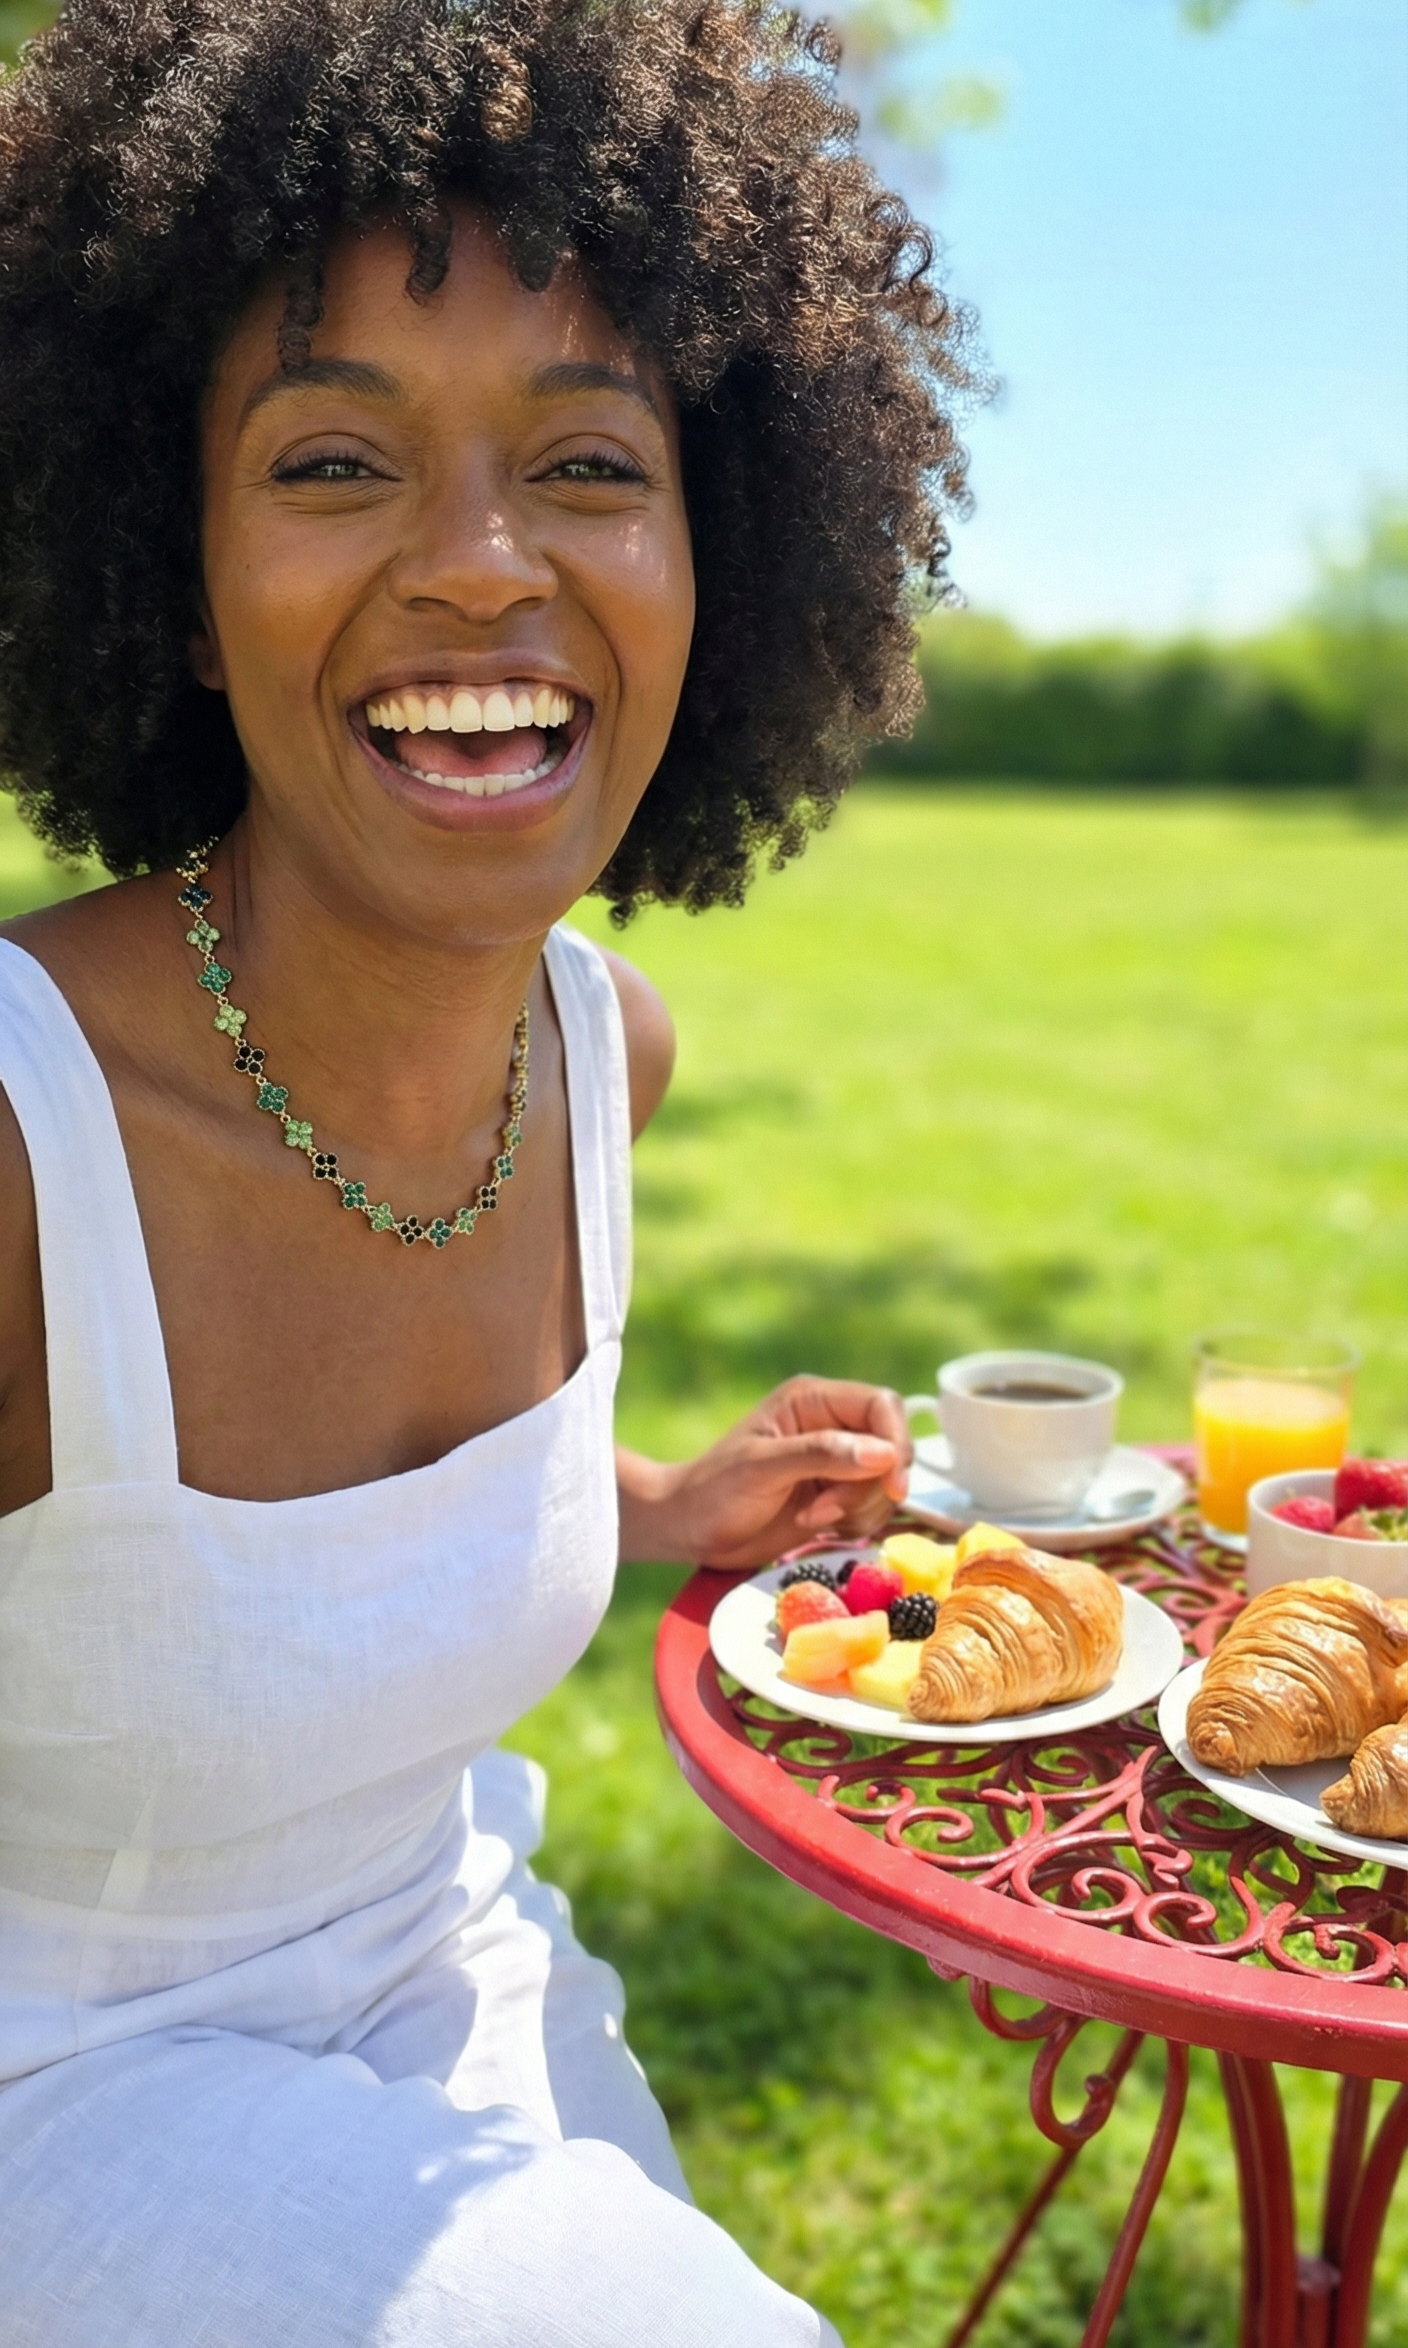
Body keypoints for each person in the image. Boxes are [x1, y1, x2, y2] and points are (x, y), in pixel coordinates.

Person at [0, 1, 973, 2338]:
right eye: (334, 462)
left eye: (586, 465)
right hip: (59, 2080)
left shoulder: (599, 1053)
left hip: (453, 1973)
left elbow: (210, 1575)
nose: (476, 567)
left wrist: (641, 1504)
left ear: (711, 553)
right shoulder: (19, 1155)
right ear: (171, 557)